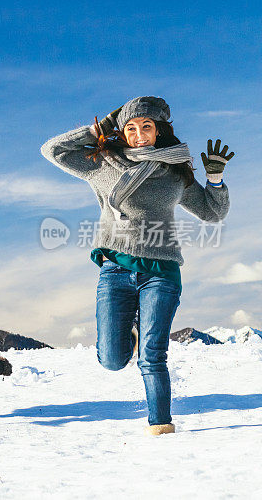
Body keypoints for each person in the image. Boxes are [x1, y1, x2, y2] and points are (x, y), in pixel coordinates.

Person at [41, 96, 233, 435]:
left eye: (147, 126)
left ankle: (161, 426)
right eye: (131, 127)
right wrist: (93, 131)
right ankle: (126, 336)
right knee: (112, 359)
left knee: (152, 355)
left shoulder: (175, 173)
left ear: (159, 131)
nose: (140, 134)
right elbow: (53, 151)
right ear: (123, 131)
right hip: (115, 269)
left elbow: (212, 213)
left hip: (161, 273)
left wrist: (214, 180)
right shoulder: (101, 164)